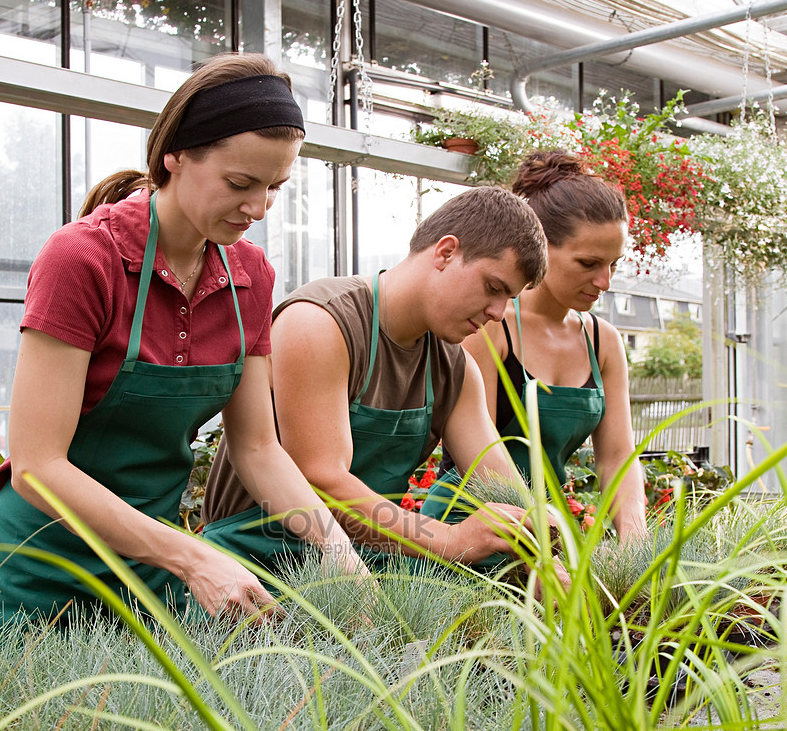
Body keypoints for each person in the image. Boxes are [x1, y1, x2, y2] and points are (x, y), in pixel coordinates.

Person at [0, 53, 364, 627]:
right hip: (36, 562)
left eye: (275, 187)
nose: (257, 208)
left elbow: (257, 449)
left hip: (150, 568)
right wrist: (192, 557)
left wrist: (339, 555)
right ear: (174, 155)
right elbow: (36, 465)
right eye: (239, 183)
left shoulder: (250, 274)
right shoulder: (83, 260)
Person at [200, 185, 553, 574]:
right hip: (253, 564)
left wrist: (547, 562)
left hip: (367, 565)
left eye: (509, 299)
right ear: (446, 252)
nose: (499, 313)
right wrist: (450, 540)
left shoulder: (456, 370)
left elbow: (502, 486)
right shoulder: (321, 321)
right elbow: (320, 482)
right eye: (493, 287)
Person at [422, 151, 647, 540]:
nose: (605, 281)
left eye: (614, 264)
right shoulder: (489, 326)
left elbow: (617, 458)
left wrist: (636, 542)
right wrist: (541, 537)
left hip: (546, 529)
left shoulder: (603, 341)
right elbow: (477, 454)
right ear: (541, 247)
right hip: (471, 526)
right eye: (588, 263)